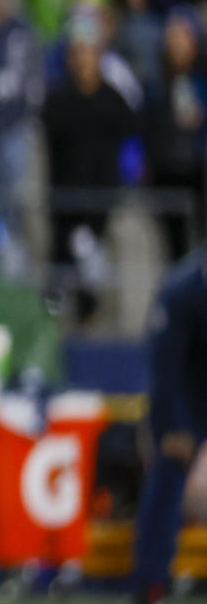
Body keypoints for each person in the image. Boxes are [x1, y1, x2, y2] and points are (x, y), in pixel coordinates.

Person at [132, 243, 207, 604]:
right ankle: (151, 584)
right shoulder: (180, 290)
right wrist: (172, 426)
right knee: (168, 474)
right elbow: (164, 370)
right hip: (189, 401)